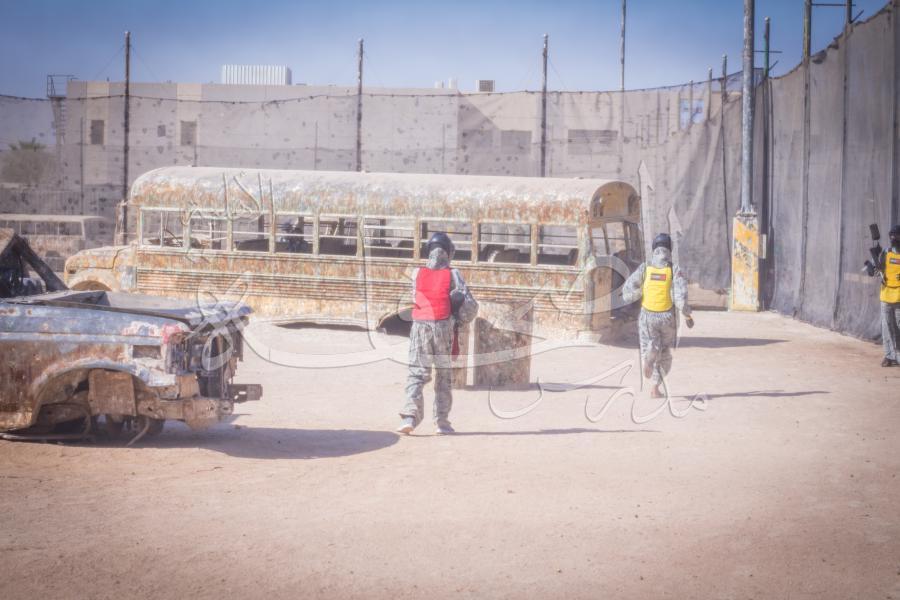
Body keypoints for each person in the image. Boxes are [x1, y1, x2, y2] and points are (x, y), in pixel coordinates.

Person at [397, 232, 476, 435]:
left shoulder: (416, 273)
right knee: (443, 376)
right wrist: (458, 317)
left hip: (419, 327)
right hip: (442, 327)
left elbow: (415, 298)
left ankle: (409, 417)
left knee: (417, 373)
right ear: (448, 253)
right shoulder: (453, 274)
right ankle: (442, 422)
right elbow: (470, 307)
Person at [621, 233, 693, 398]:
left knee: (649, 345)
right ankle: (655, 388)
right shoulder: (674, 270)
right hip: (667, 318)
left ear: (654, 249)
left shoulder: (645, 268)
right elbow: (680, 298)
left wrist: (637, 293)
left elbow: (628, 290)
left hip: (647, 317)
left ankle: (649, 354)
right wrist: (687, 316)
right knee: (665, 353)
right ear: (670, 250)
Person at [875, 225, 900, 367]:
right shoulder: (886, 252)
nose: (893, 238)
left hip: (899, 297)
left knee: (898, 327)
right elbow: (878, 270)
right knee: (887, 327)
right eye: (891, 235)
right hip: (886, 294)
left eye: (896, 235)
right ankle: (889, 356)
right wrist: (875, 268)